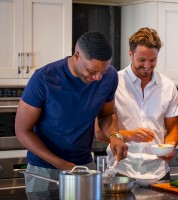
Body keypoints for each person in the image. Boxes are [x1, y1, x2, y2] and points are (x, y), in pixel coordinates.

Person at [15, 32, 128, 193]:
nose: (97, 77)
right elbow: (22, 131)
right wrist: (61, 164)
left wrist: (114, 137)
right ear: (76, 56)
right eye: (91, 71)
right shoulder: (43, 78)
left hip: (84, 166)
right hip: (43, 169)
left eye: (102, 72)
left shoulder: (109, 77)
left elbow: (107, 115)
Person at [95, 27, 178, 180]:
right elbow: (99, 133)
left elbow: (173, 127)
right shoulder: (113, 83)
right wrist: (131, 135)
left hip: (159, 172)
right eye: (142, 60)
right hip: (121, 170)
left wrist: (170, 146)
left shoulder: (168, 86)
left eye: (153, 60)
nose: (147, 66)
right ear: (130, 54)